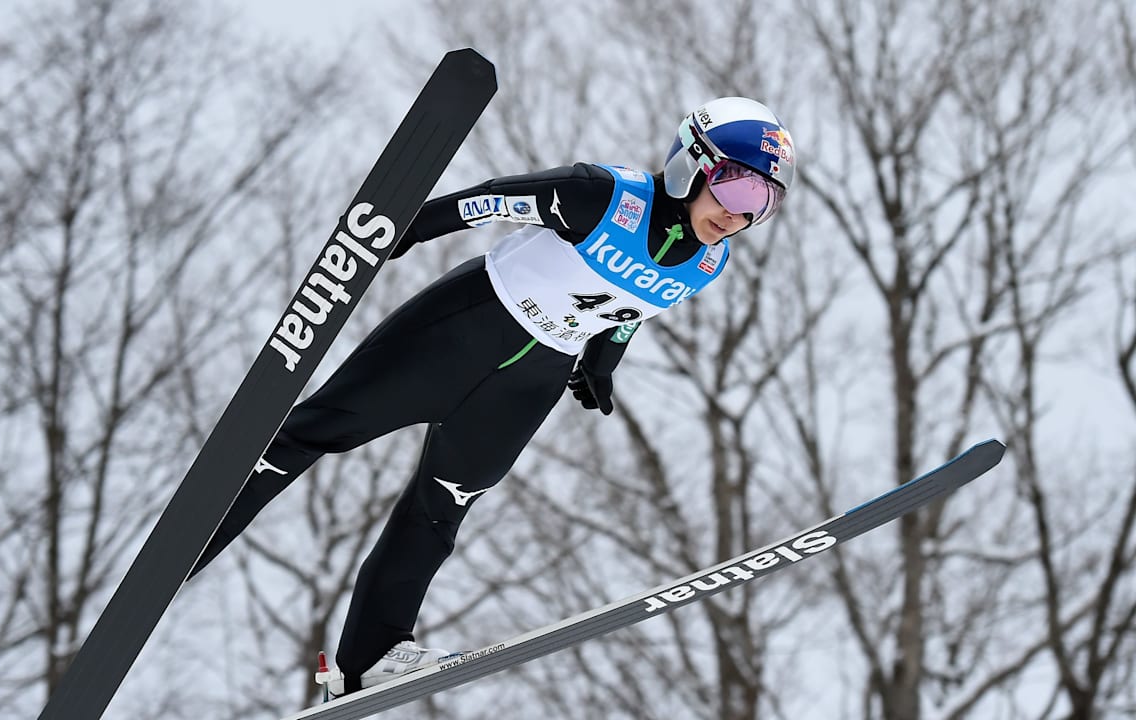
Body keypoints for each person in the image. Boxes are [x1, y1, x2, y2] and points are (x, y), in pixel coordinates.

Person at [187, 97, 796, 695]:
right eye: (738, 190)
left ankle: (369, 656)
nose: (741, 215)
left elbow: (631, 309)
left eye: (763, 204)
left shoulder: (708, 263)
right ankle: (187, 546)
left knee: (442, 508)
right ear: (692, 162)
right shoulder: (605, 195)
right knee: (313, 431)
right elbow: (490, 200)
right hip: (462, 329)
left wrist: (603, 363)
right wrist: (402, 229)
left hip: (529, 384)